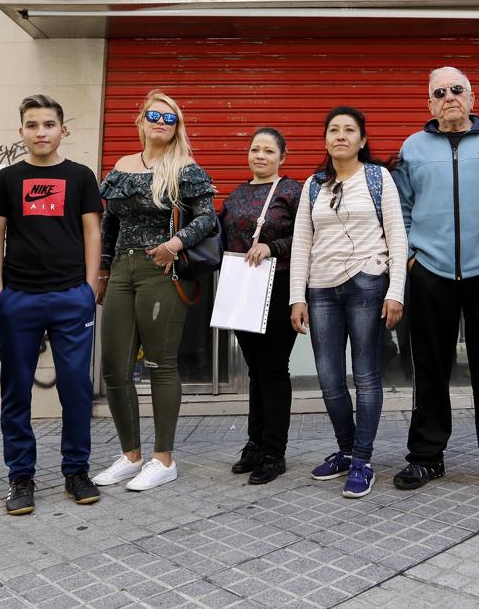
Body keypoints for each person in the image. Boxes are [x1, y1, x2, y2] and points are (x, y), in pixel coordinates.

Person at [391, 67, 479, 493]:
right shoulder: (413, 147)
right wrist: (414, 255)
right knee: (430, 367)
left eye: (457, 89)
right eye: (439, 92)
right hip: (431, 272)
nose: (449, 97)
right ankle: (427, 457)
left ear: (471, 96)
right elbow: (402, 205)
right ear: (429, 104)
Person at [92, 90, 216, 492]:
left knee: (161, 363)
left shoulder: (184, 167)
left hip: (161, 271)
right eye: (154, 116)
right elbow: (109, 224)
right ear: (140, 121)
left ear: (177, 126)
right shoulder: (122, 167)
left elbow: (208, 218)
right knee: (114, 367)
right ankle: (131, 456)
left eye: (170, 119)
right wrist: (104, 270)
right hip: (122, 272)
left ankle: (163, 459)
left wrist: (174, 244)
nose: (161, 124)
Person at [0, 94, 103, 514]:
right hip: (19, 298)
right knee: (16, 390)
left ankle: (76, 470)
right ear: (21, 132)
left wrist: (89, 288)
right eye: (33, 125)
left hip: (71, 296)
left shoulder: (80, 177)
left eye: (49, 124)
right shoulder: (5, 180)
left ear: (63, 130)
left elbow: (93, 233)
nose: (41, 132)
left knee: (75, 388)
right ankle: (20, 477)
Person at [290, 106, 407, 499]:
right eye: (334, 130)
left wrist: (395, 291)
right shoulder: (313, 185)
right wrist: (296, 297)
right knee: (328, 377)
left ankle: (362, 459)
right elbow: (302, 244)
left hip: (367, 284)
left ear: (362, 139)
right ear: (325, 140)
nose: (341, 136)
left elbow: (397, 235)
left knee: (366, 374)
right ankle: (344, 448)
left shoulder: (378, 177)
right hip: (321, 290)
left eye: (349, 130)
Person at [219, 128, 302, 485]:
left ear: (283, 156)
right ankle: (254, 443)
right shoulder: (236, 193)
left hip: (279, 284)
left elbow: (307, 235)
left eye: (269, 150)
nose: (261, 156)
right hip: (242, 285)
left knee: (272, 368)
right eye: (255, 149)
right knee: (255, 369)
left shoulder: (291, 191)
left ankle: (274, 451)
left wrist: (273, 247)